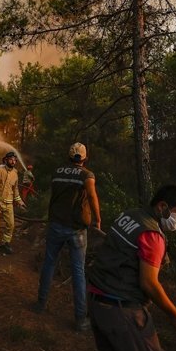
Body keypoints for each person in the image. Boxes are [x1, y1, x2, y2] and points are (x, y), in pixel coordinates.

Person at [87, 184, 176, 351]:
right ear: (162, 206)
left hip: (97, 302)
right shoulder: (151, 234)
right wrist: (175, 316)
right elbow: (149, 283)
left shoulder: (130, 215)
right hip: (122, 309)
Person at [32, 142, 101, 332]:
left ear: (69, 156)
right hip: (77, 229)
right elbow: (93, 196)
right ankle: (80, 319)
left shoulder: (57, 172)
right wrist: (98, 220)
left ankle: (40, 304)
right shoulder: (87, 175)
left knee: (49, 263)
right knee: (78, 271)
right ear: (85, 158)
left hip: (56, 225)